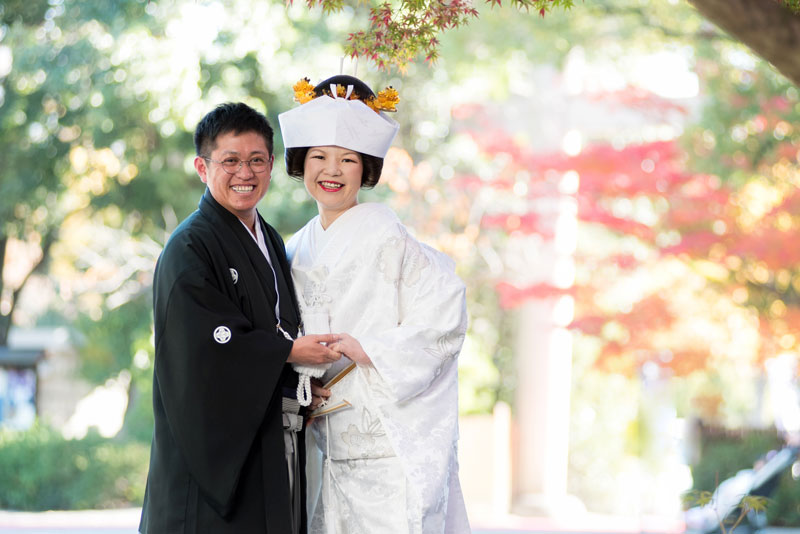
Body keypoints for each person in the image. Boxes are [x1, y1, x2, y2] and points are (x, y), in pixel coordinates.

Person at [278, 75, 471, 534]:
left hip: (385, 439)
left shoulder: (386, 231)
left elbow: (446, 308)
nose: (332, 170)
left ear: (365, 169)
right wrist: (298, 383)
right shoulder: (293, 246)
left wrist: (368, 349)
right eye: (319, 157)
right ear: (301, 164)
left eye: (348, 160)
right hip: (325, 439)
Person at [139, 102, 341, 534]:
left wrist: (298, 385)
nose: (244, 173)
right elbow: (204, 349)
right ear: (201, 166)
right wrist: (287, 353)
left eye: (256, 161)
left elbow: (274, 326)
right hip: (211, 468)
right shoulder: (189, 248)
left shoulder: (267, 236)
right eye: (230, 161)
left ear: (271, 164)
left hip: (267, 446)